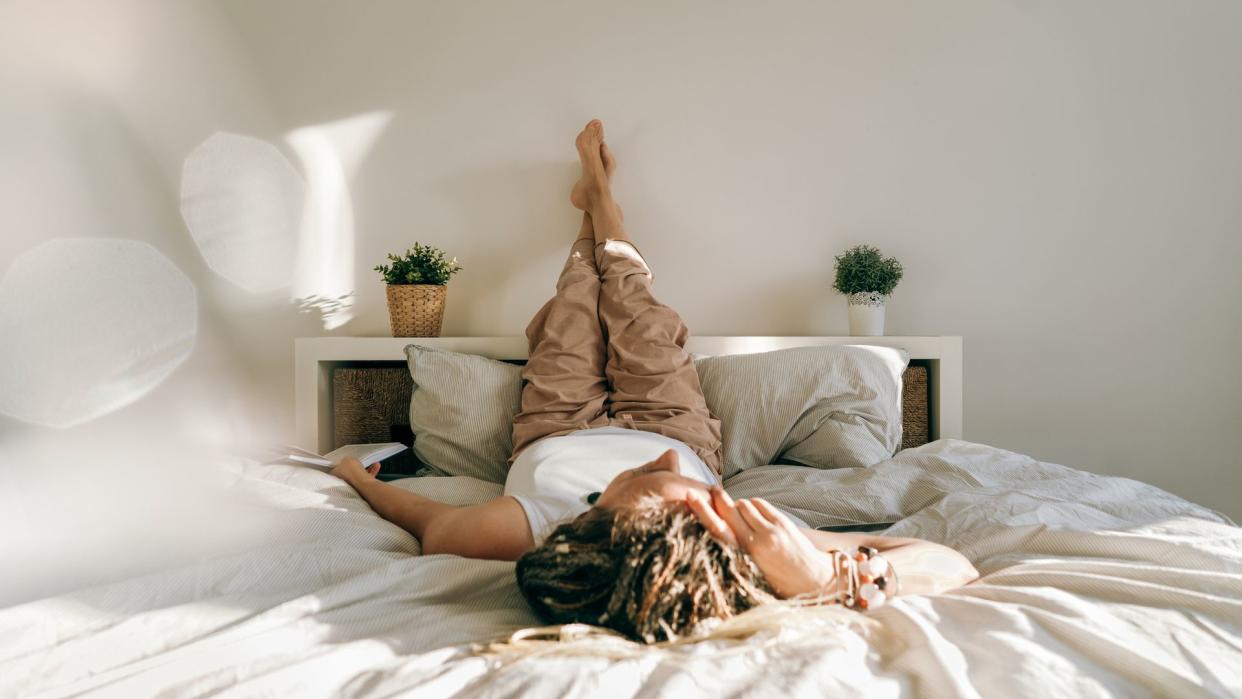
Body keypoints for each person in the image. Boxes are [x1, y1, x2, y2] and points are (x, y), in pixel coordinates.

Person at [330, 120, 977, 642]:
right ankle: (603, 202)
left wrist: (359, 478)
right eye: (688, 491)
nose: (661, 463)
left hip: (556, 428)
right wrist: (829, 576)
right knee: (639, 310)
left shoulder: (539, 525)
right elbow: (954, 564)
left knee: (572, 308)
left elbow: (431, 522)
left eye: (639, 478)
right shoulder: (740, 535)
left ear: (587, 522)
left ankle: (591, 213)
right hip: (674, 416)